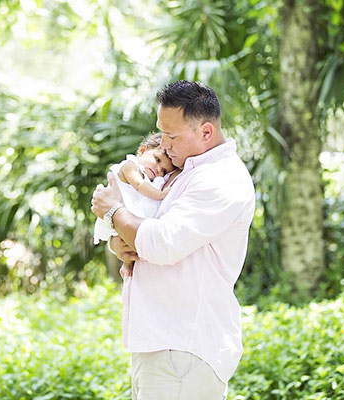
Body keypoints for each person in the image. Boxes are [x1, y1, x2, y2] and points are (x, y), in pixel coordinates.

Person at [91, 80, 255, 400]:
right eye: (161, 132)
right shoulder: (183, 172)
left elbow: (163, 244)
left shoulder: (220, 178)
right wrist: (120, 241)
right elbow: (145, 232)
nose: (162, 145)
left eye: (172, 135)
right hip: (163, 344)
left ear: (206, 132)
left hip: (183, 348)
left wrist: (113, 212)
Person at [93, 132, 177, 279]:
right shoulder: (130, 166)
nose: (158, 169)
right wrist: (161, 195)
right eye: (157, 160)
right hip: (119, 211)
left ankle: (127, 263)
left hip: (128, 216)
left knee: (129, 245)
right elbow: (139, 185)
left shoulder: (154, 180)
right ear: (143, 150)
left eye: (163, 170)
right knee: (123, 240)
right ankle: (126, 262)